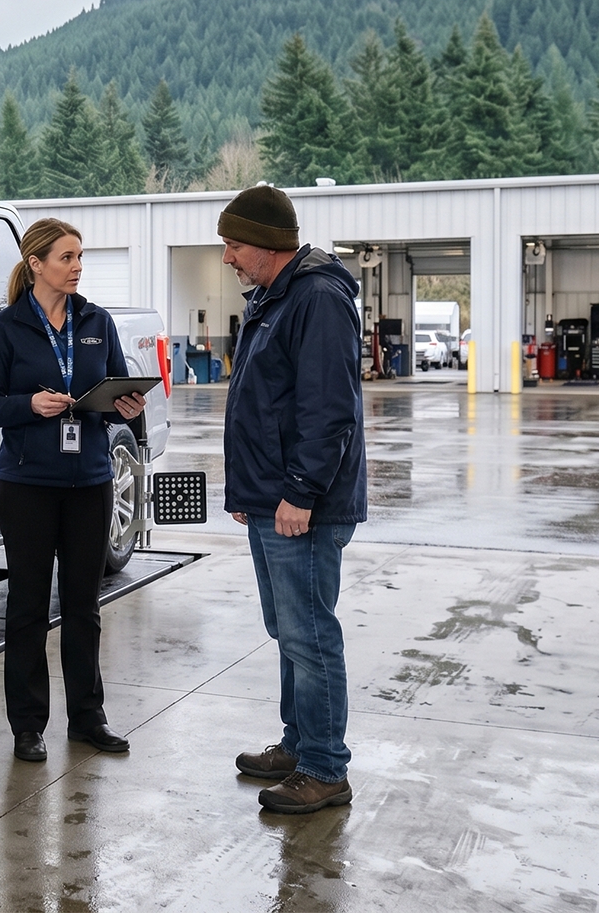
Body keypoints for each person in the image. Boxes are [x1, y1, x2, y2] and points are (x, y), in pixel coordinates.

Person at [0, 218, 148, 763]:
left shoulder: (97, 321)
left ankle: (88, 718)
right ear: (36, 265)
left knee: (83, 605)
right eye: (66, 258)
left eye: (79, 258)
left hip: (89, 481)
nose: (76, 267)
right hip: (27, 486)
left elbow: (116, 383)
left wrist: (129, 404)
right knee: (27, 607)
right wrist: (28, 405)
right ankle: (28, 726)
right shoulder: (5, 329)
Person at [216, 185, 367, 814]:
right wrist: (251, 492)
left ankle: (326, 768)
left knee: (308, 634)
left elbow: (327, 410)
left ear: (269, 244)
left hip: (303, 502)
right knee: (288, 631)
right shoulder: (276, 296)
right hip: (272, 497)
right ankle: (300, 744)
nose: (227, 257)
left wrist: (301, 492)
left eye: (233, 244)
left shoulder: (318, 298)